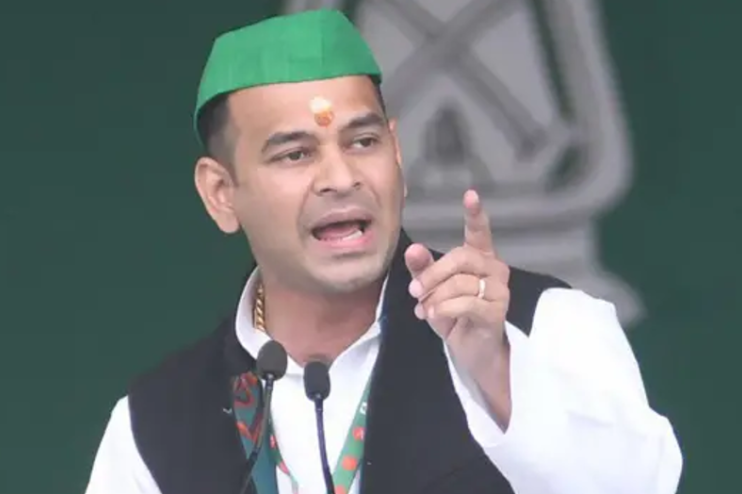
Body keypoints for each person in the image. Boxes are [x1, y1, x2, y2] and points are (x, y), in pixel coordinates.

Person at [84, 9, 682, 494]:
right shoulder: (157, 423)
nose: (341, 177)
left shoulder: (543, 326)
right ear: (221, 193)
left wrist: (499, 373)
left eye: (363, 141)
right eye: (295, 154)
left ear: (396, 153)